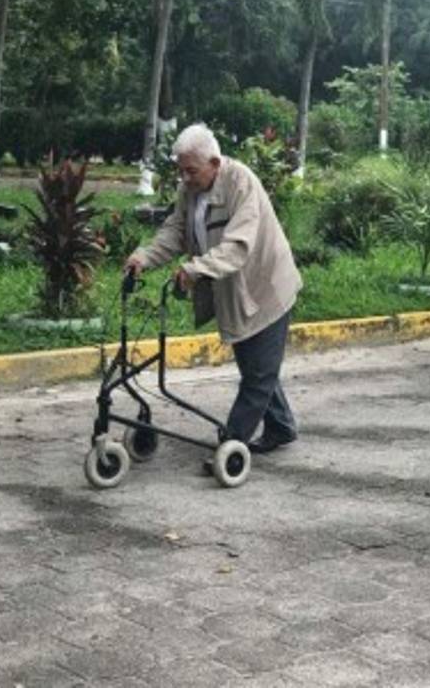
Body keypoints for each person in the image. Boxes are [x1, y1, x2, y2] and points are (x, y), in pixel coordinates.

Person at [125, 123, 302, 459]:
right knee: (255, 365)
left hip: (266, 288)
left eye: (191, 170)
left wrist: (195, 269)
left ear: (215, 163)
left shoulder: (241, 182)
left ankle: (231, 447)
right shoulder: (189, 189)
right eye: (181, 170)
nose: (185, 178)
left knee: (258, 375)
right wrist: (144, 258)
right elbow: (175, 231)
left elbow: (237, 247)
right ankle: (281, 425)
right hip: (235, 291)